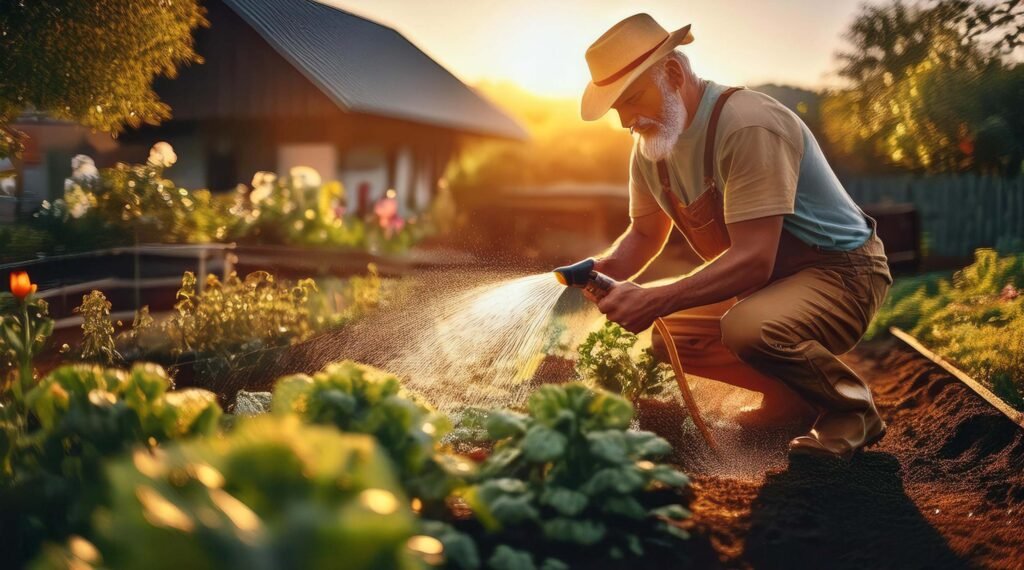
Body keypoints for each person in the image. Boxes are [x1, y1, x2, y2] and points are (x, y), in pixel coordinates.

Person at [570, 13, 893, 460]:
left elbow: (754, 259)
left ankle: (851, 410)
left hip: (842, 274)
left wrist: (655, 298)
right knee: (672, 337)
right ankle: (792, 399)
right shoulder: (652, 148)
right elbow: (644, 234)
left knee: (747, 328)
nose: (626, 119)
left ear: (673, 73)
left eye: (632, 99)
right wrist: (600, 272)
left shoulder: (746, 125)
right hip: (767, 285)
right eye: (616, 108)